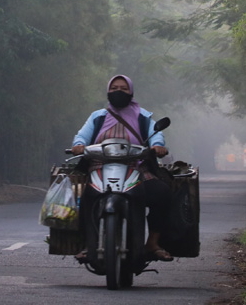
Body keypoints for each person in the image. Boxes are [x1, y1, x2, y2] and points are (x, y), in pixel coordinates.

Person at [71, 74, 174, 262]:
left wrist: (157, 146)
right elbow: (82, 137)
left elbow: (155, 135)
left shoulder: (143, 116)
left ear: (131, 92)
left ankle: (152, 242)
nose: (119, 91)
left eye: (124, 89)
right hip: (100, 167)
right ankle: (89, 244)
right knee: (87, 197)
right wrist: (78, 144)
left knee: (162, 193)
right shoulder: (97, 117)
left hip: (137, 169)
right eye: (114, 88)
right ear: (108, 91)